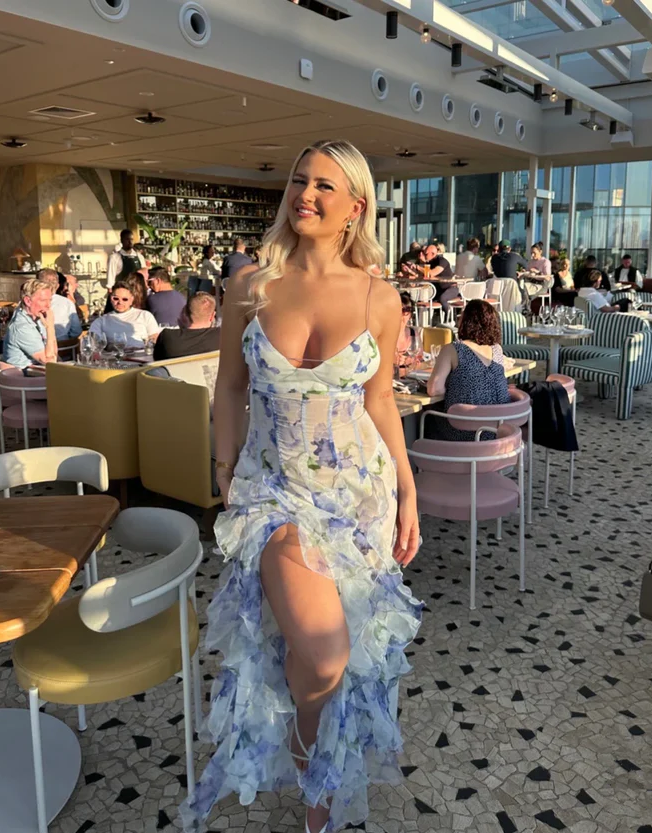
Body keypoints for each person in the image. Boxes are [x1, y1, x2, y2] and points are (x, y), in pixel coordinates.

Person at [180, 139, 422, 833]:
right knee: (323, 652)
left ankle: (317, 787)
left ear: (356, 207)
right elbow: (229, 387)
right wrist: (224, 468)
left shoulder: (380, 297)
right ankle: (305, 750)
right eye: (298, 181)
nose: (304, 195)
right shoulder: (250, 286)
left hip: (358, 497)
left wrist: (407, 488)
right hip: (272, 492)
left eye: (323, 186)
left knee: (342, 655)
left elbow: (380, 399)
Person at [426, 300, 512, 440]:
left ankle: (411, 453)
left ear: (465, 321)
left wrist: (455, 388)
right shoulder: (497, 349)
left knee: (425, 414)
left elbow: (434, 390)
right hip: (497, 431)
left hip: (464, 432)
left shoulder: (453, 349)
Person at [3, 277, 58, 368]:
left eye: (50, 300)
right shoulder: (22, 327)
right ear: (28, 301)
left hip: (39, 371)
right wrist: (50, 327)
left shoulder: (37, 319)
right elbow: (51, 362)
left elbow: (54, 354)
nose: (48, 305)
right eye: (43, 300)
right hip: (24, 375)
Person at [89, 281, 160, 348]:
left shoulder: (145, 315)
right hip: (115, 355)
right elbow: (93, 344)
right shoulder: (101, 321)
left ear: (131, 300)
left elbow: (154, 339)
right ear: (111, 299)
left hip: (142, 354)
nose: (120, 302)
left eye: (125, 299)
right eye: (116, 298)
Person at [153, 291, 220, 360]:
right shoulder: (221, 336)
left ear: (185, 314)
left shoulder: (167, 337)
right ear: (212, 316)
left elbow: (157, 361)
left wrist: (182, 326)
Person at [38, 268, 82, 341]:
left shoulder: (31, 302)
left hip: (38, 345)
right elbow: (76, 331)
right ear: (58, 286)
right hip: (64, 345)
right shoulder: (67, 303)